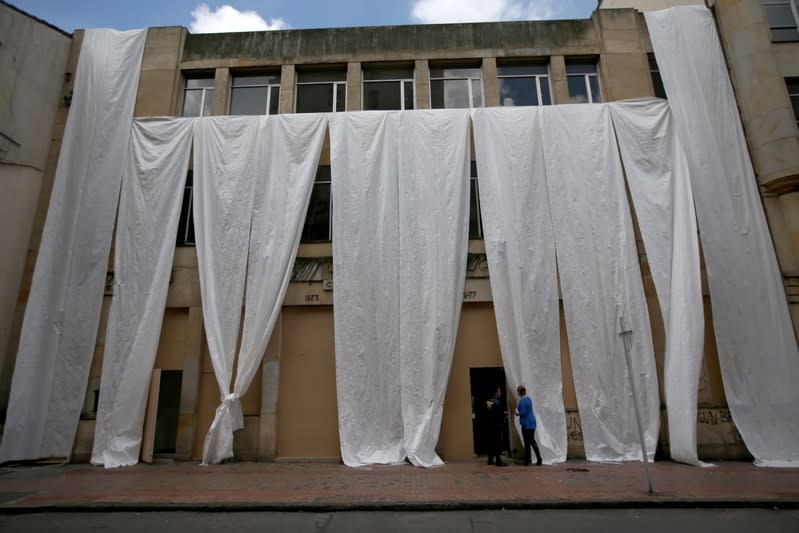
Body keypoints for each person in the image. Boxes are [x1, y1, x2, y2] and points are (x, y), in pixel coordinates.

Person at [515, 384, 543, 466]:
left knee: (528, 442)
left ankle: (529, 459)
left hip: (526, 423)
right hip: (532, 421)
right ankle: (537, 458)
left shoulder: (522, 401)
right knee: (532, 441)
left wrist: (517, 413)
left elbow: (523, 412)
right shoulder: (529, 399)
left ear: (519, 393)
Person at [486, 387, 508, 467]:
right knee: (498, 443)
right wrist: (505, 414)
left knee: (491, 442)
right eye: (499, 391)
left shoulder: (488, 401)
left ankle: (490, 459)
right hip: (497, 425)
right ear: (496, 393)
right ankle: (498, 461)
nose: (500, 393)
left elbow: (490, 412)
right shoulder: (497, 402)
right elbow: (500, 414)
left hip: (490, 425)